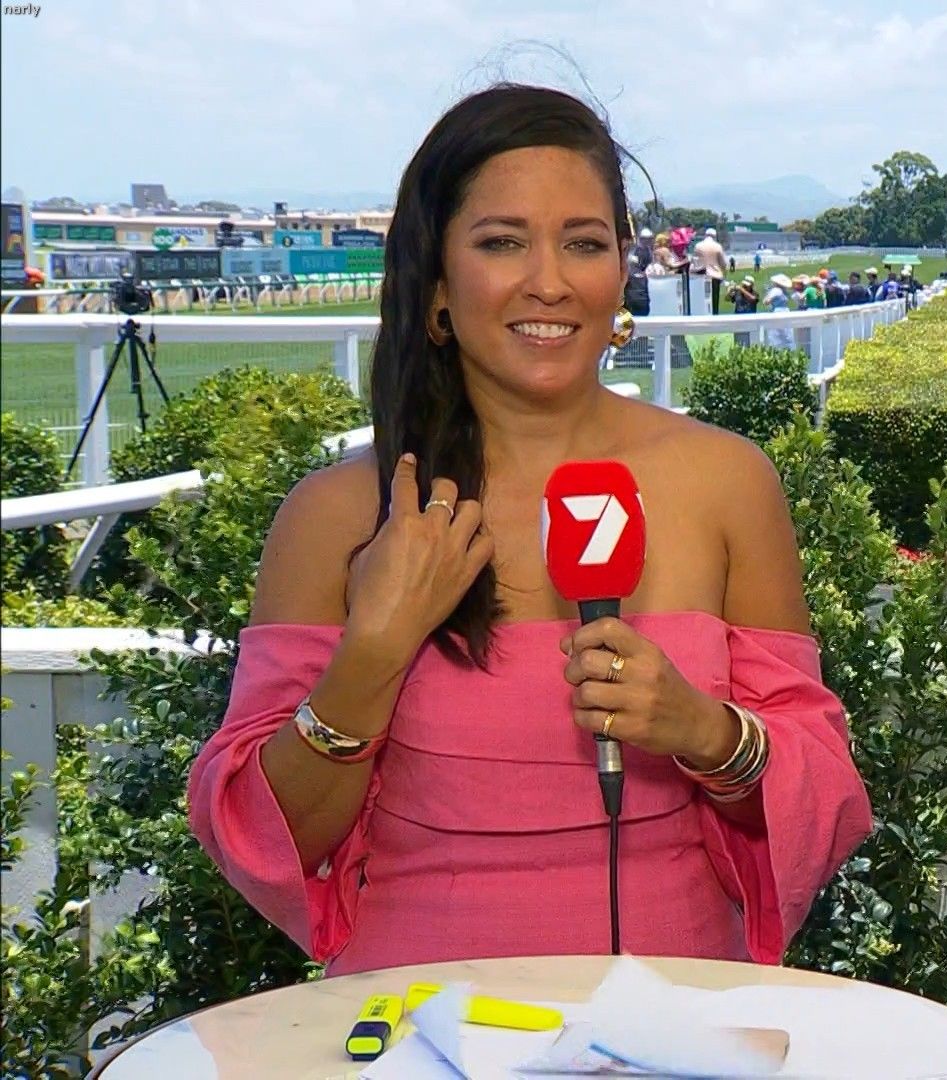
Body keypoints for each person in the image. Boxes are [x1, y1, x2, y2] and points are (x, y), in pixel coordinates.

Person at [186, 85, 871, 975]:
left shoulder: (728, 482)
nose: (549, 281)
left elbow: (821, 796)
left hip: (680, 1011)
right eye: (502, 242)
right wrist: (373, 653)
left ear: (622, 271)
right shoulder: (339, 517)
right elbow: (264, 836)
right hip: (415, 1016)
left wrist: (709, 734)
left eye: (583, 243)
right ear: (437, 283)